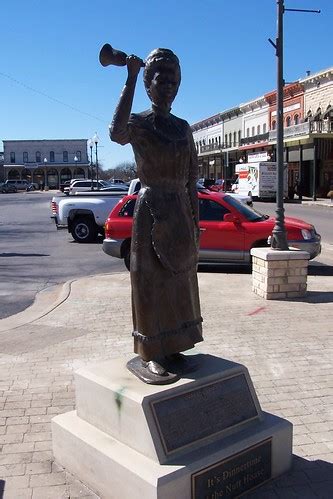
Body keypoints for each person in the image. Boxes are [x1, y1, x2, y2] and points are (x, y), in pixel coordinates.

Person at [110, 48, 203, 383]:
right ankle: (150, 353)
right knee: (149, 283)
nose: (169, 87)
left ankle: (174, 344)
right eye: (162, 80)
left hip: (178, 208)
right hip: (150, 209)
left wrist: (195, 222)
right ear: (150, 84)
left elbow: (191, 179)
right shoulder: (139, 123)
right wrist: (131, 76)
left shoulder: (183, 127)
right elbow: (116, 132)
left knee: (178, 282)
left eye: (174, 81)